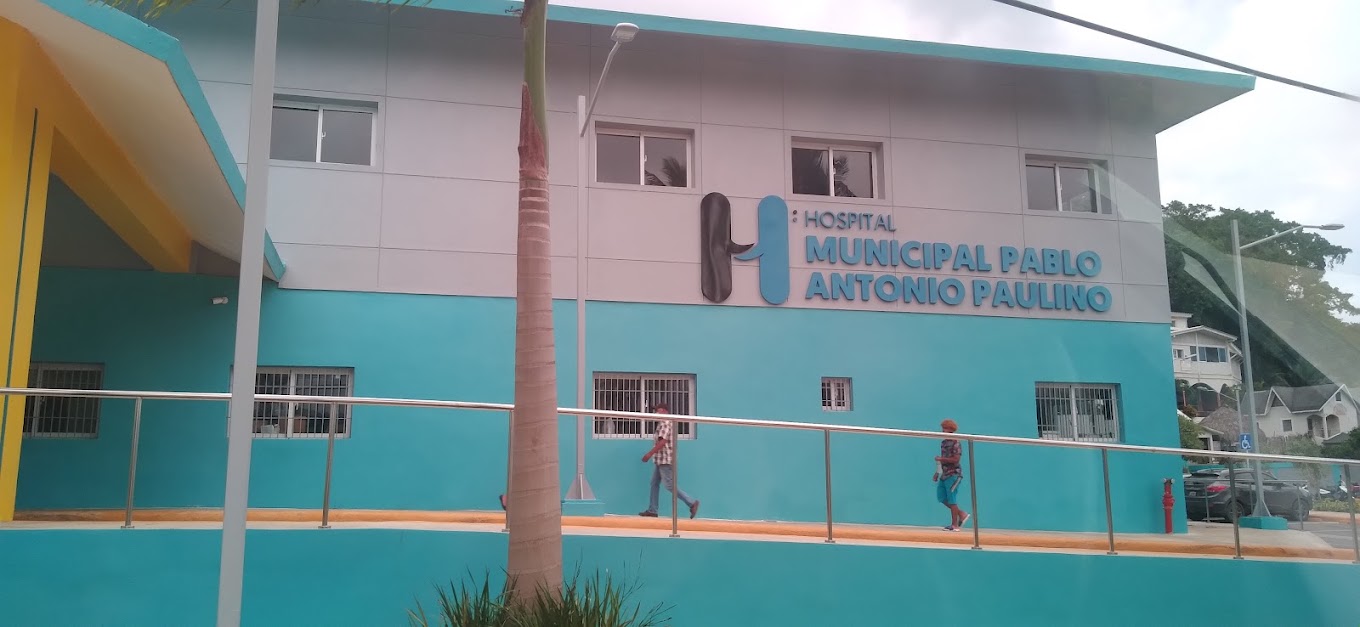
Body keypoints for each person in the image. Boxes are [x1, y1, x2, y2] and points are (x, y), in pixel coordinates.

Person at [639, 402, 700, 519]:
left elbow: (662, 442)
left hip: (665, 460)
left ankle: (691, 502)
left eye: (658, 410)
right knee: (654, 483)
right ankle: (652, 510)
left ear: (664, 411)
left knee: (669, 485)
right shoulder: (662, 423)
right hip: (660, 459)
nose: (655, 413)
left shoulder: (666, 423)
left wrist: (649, 454)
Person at [933, 418, 970, 531]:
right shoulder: (944, 443)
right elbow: (943, 459)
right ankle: (961, 513)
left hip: (953, 474)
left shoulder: (956, 442)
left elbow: (956, 459)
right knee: (941, 497)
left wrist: (941, 459)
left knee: (952, 499)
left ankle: (955, 525)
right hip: (944, 474)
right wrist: (937, 472)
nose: (943, 430)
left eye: (945, 428)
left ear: (950, 429)